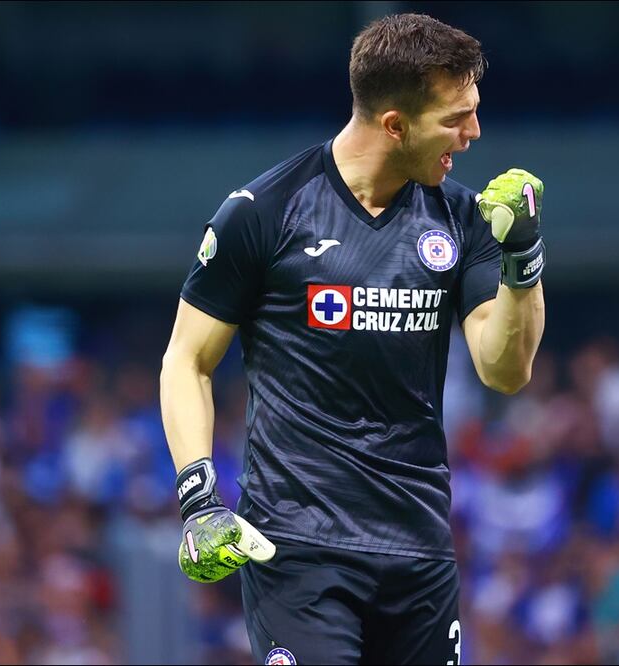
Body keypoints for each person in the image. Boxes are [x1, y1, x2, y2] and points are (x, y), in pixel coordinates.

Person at [159, 13, 546, 665]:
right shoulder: (264, 212)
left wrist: (523, 259)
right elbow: (185, 360)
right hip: (297, 549)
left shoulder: (462, 218)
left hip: (418, 548)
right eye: (455, 118)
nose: (473, 133)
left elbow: (504, 370)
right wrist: (199, 500)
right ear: (394, 124)